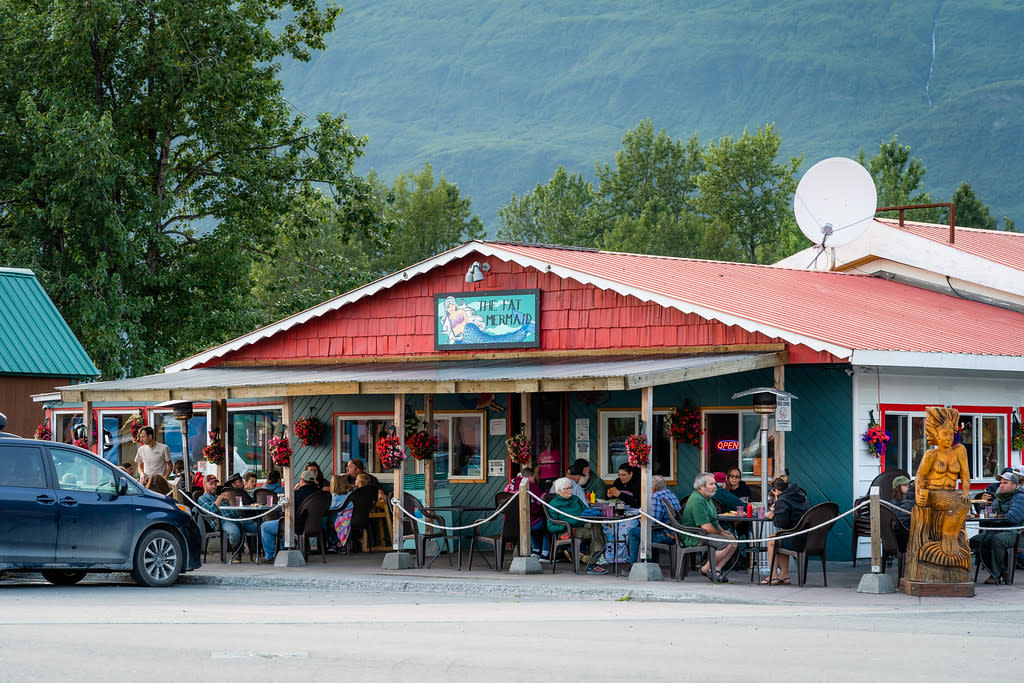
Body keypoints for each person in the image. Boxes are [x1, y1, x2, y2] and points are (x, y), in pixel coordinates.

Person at [906, 407, 972, 581]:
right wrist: (919, 494)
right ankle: (947, 536)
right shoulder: (930, 454)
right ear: (936, 435)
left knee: (964, 503)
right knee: (956, 504)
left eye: (951, 434)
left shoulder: (960, 451)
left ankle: (950, 535)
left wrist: (966, 492)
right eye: (945, 434)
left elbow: (965, 475)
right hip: (934, 494)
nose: (948, 438)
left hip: (952, 493)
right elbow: (920, 476)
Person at [546, 477, 610, 574]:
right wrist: (566, 525)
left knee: (596, 525)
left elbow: (584, 511)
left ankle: (596, 556)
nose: (570, 490)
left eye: (570, 487)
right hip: (569, 530)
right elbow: (551, 527)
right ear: (559, 491)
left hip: (582, 523)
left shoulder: (575, 499)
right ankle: (594, 562)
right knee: (593, 532)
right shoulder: (553, 505)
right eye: (567, 489)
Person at [680, 472, 736, 583]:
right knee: (726, 543)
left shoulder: (707, 497)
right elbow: (706, 527)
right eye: (712, 484)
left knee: (734, 542)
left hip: (703, 533)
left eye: (715, 483)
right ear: (701, 486)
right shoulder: (698, 500)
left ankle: (716, 570)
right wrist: (722, 534)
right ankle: (705, 569)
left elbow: (713, 520)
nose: (715, 486)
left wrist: (723, 531)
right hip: (694, 535)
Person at [970, 471, 1024, 584]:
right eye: (1000, 483)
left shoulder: (1020, 497)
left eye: (1005, 483)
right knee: (976, 541)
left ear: (1014, 485)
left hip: (1016, 532)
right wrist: (985, 505)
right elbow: (989, 516)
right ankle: (1002, 570)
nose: (1001, 485)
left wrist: (994, 519)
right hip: (999, 530)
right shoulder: (998, 497)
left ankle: (995, 575)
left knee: (997, 540)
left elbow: (1012, 518)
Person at [262, 469, 323, 561]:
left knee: (265, 526)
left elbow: (287, 509)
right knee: (281, 524)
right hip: (316, 526)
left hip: (296, 526)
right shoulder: (320, 493)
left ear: (302, 481)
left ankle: (271, 556)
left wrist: (294, 491)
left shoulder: (297, 494)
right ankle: (281, 552)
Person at [762, 477, 810, 585]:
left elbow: (780, 523)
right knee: (780, 537)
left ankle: (773, 576)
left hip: (797, 541)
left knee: (772, 541)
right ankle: (784, 575)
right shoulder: (801, 495)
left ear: (777, 490)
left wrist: (773, 514)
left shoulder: (783, 499)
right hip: (809, 538)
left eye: (773, 492)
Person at [626, 475, 680, 564]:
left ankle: (635, 565)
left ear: (652, 489)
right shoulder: (670, 493)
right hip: (675, 533)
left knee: (633, 532)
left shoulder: (656, 496)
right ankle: (647, 562)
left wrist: (641, 517)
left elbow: (652, 522)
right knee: (641, 532)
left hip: (666, 535)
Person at [197, 474, 258, 553]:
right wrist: (219, 499)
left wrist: (229, 500)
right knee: (234, 532)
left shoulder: (218, 497)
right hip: (222, 521)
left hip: (236, 518)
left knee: (258, 527)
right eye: (211, 484)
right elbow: (211, 511)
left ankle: (262, 553)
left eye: (215, 484)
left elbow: (234, 510)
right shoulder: (202, 498)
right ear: (204, 485)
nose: (214, 486)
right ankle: (236, 553)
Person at [504, 467, 549, 560]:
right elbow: (540, 502)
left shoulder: (509, 486)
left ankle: (535, 550)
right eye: (534, 477)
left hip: (510, 525)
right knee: (546, 523)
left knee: (531, 519)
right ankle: (545, 553)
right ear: (529, 477)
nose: (534, 480)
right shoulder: (531, 485)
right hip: (526, 524)